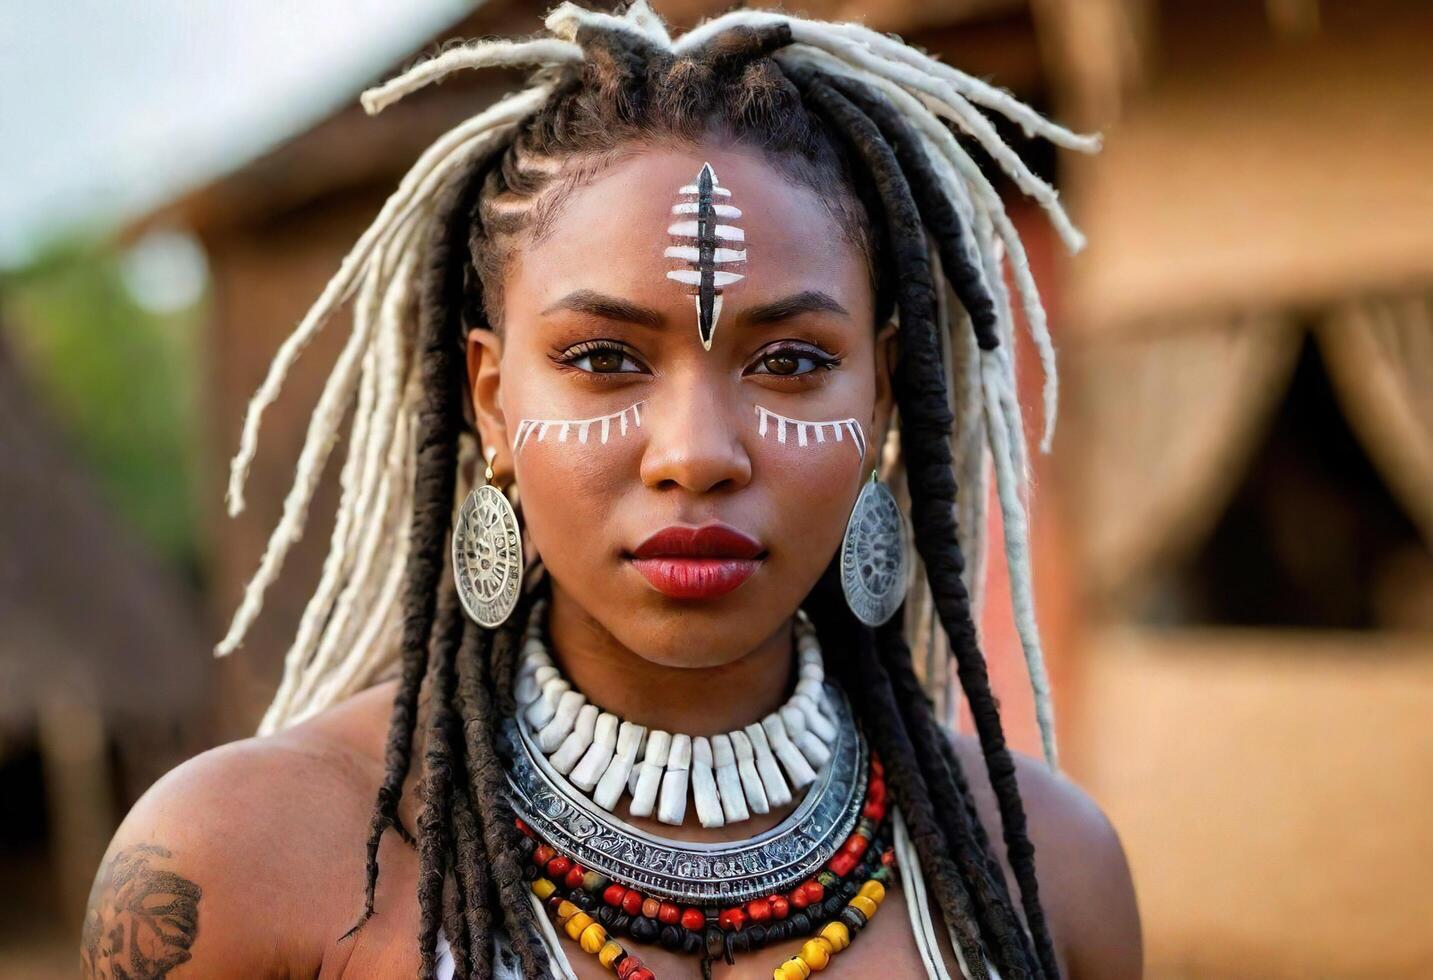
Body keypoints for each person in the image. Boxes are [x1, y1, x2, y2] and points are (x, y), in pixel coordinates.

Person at [82, 3, 1141, 977]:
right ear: (490, 402)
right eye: (601, 358)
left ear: (879, 401)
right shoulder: (239, 867)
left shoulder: (1047, 872)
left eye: (788, 361)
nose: (694, 453)